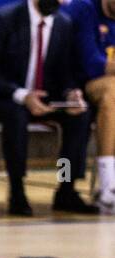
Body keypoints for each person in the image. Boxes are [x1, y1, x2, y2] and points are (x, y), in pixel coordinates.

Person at [0, 0, 97, 216]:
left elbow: (66, 72)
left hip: (42, 97)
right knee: (16, 113)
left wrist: (71, 92)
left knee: (80, 116)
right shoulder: (4, 18)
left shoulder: (63, 23)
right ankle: (17, 190)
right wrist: (23, 96)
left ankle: (66, 188)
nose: (62, 3)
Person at [67, 0, 115, 212]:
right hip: (66, 89)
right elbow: (92, 63)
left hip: (96, 97)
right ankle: (66, 188)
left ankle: (67, 188)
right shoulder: (83, 9)